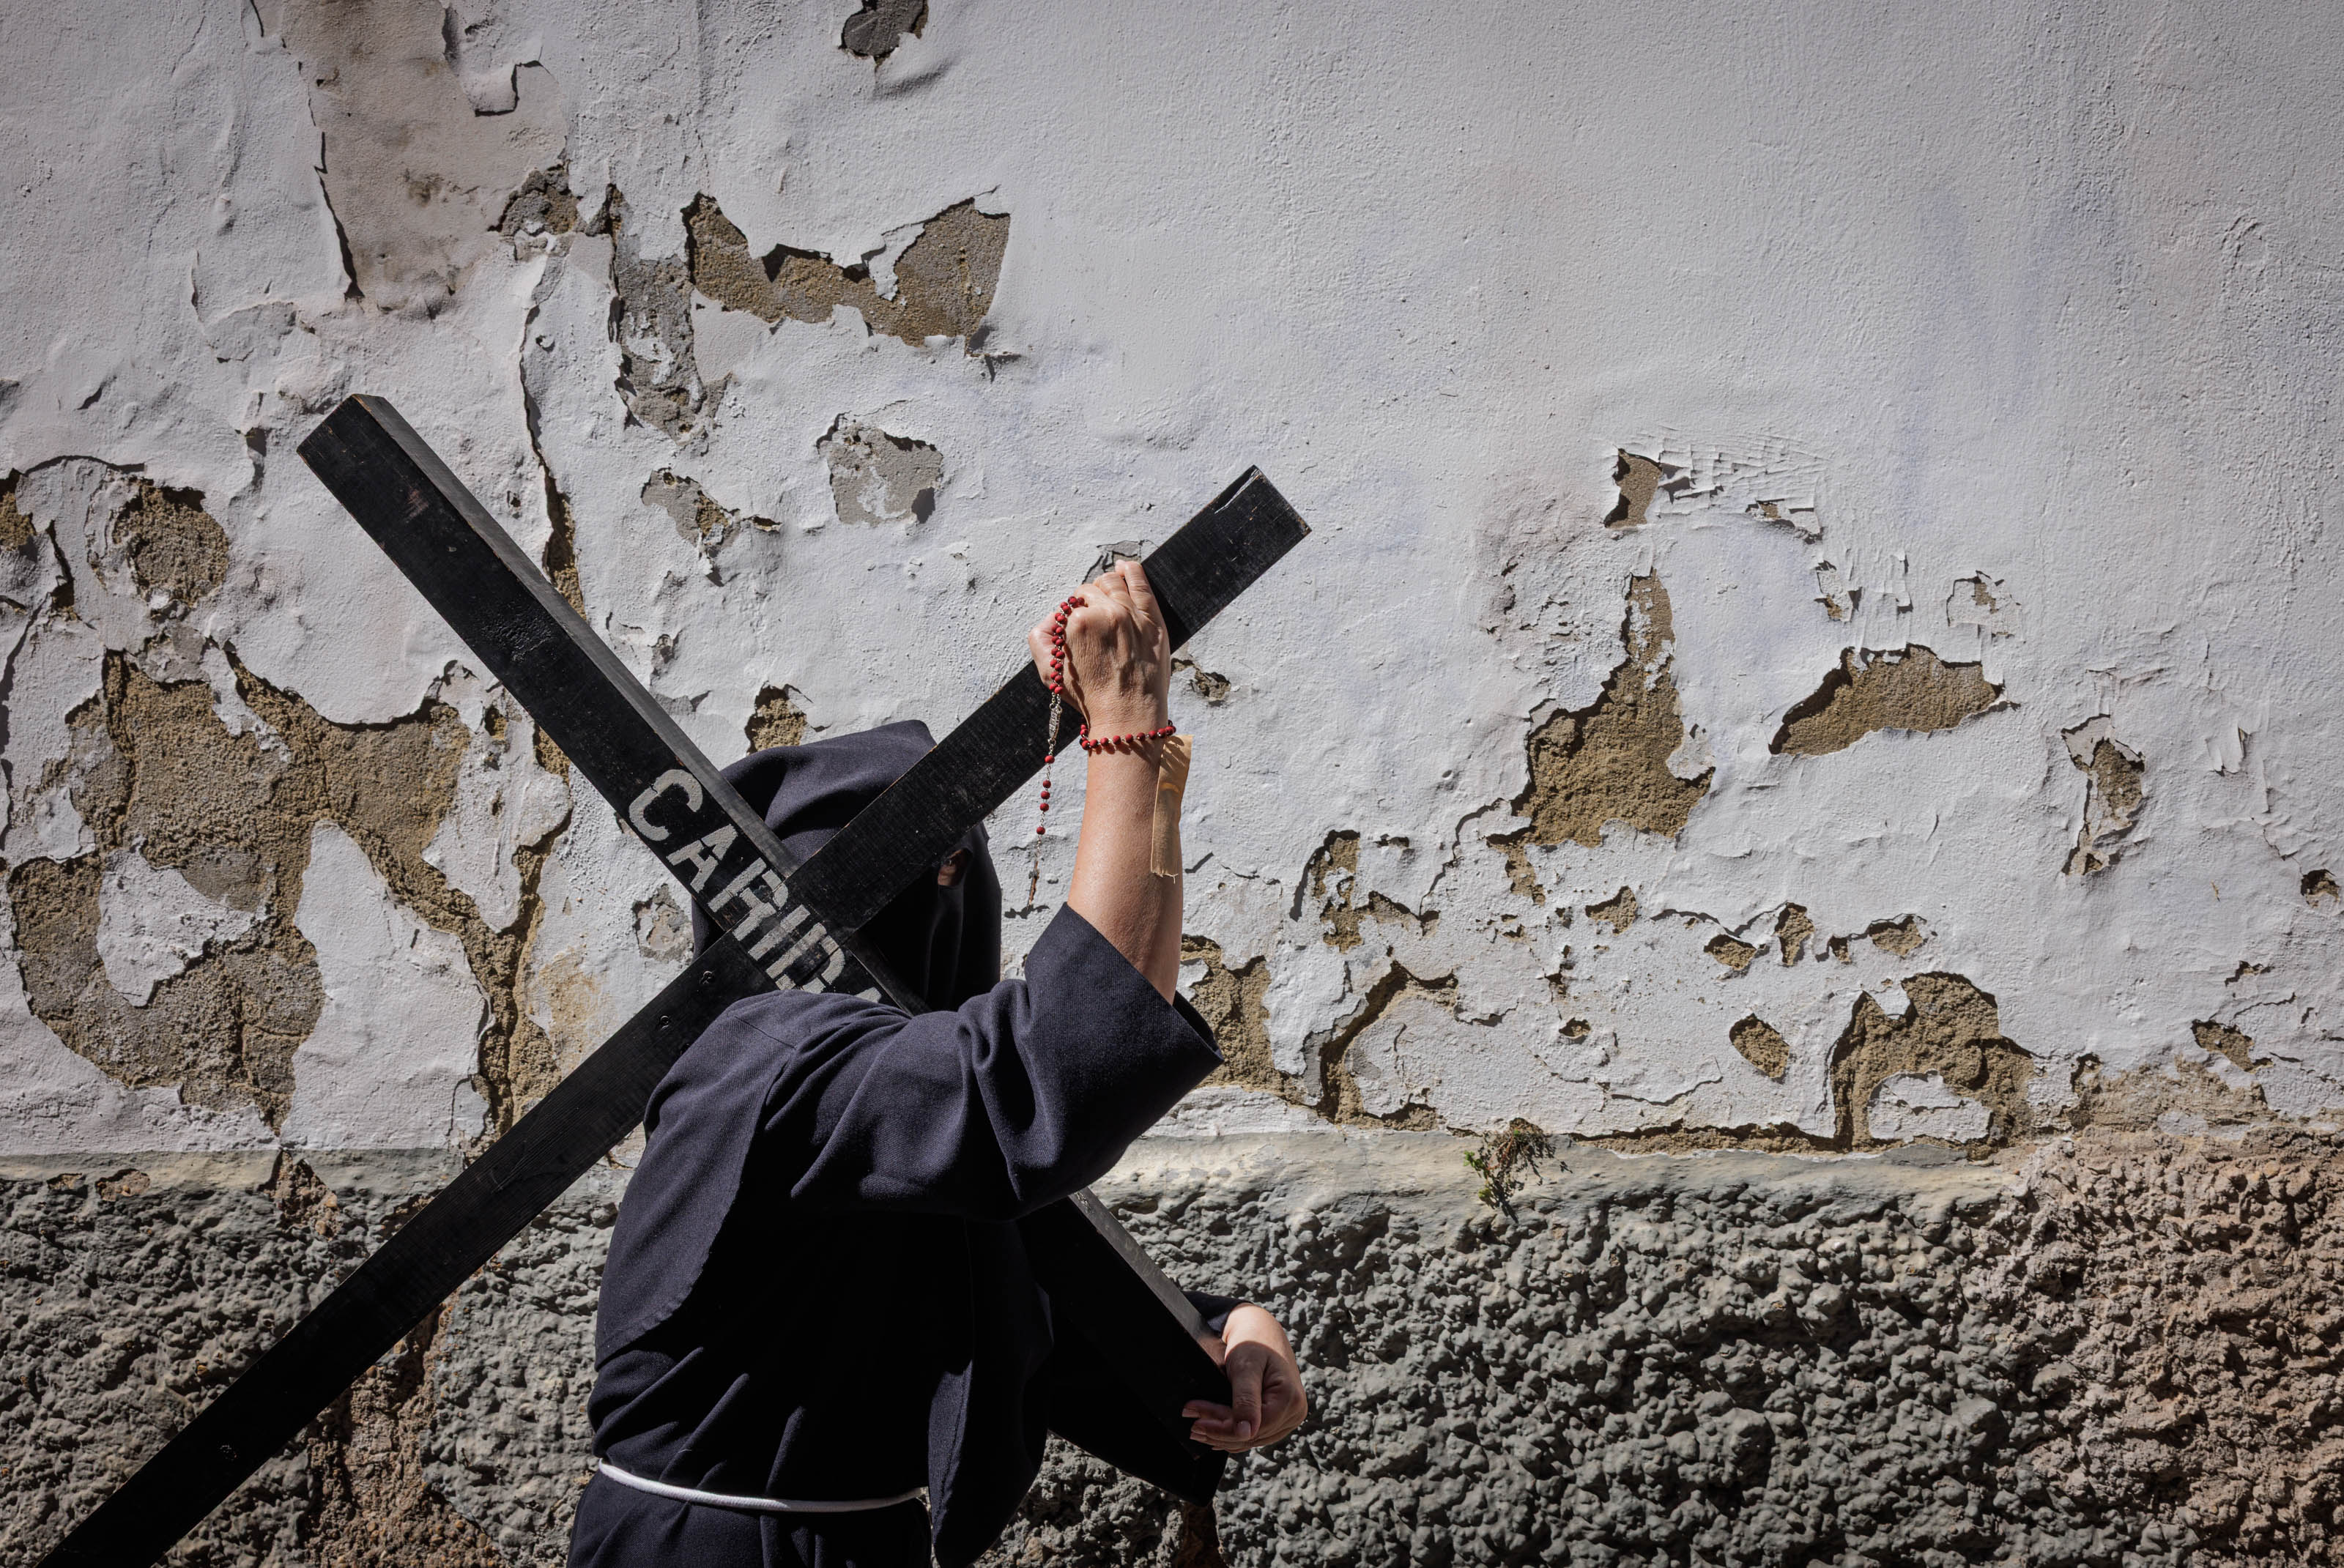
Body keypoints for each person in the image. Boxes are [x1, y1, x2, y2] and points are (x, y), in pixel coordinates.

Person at [569, 560, 1307, 1568]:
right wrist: (1128, 732)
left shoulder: (885, 1110)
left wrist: (1224, 1334)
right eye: (936, 871)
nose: (957, 896)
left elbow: (1026, 1292)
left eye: (963, 865)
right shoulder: (772, 1059)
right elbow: (1053, 1076)